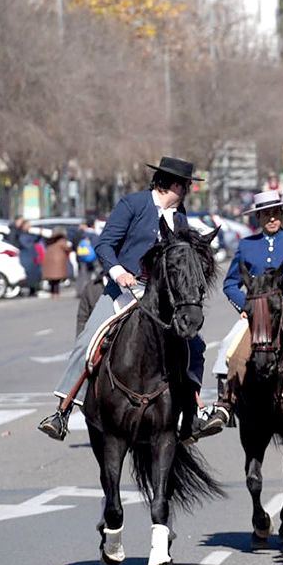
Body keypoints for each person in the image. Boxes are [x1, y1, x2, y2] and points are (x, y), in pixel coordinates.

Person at [37, 156, 221, 442]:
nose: (187, 191)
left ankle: (192, 414)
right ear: (173, 184)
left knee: (193, 345)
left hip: (161, 297)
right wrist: (119, 271)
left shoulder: (180, 215)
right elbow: (105, 244)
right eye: (186, 186)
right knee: (90, 340)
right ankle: (62, 410)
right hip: (124, 290)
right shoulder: (132, 204)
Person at [204, 189, 283, 438]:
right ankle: (226, 404)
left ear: (281, 213)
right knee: (229, 347)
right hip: (258, 312)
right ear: (258, 217)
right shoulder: (247, 245)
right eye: (266, 214)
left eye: (275, 213)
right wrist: (247, 307)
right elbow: (230, 284)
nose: (271, 218)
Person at [41, 227, 73, 297]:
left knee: (52, 279)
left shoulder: (49, 240)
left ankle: (52, 292)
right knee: (56, 279)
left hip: (49, 261)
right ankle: (56, 293)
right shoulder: (62, 240)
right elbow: (67, 248)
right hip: (58, 261)